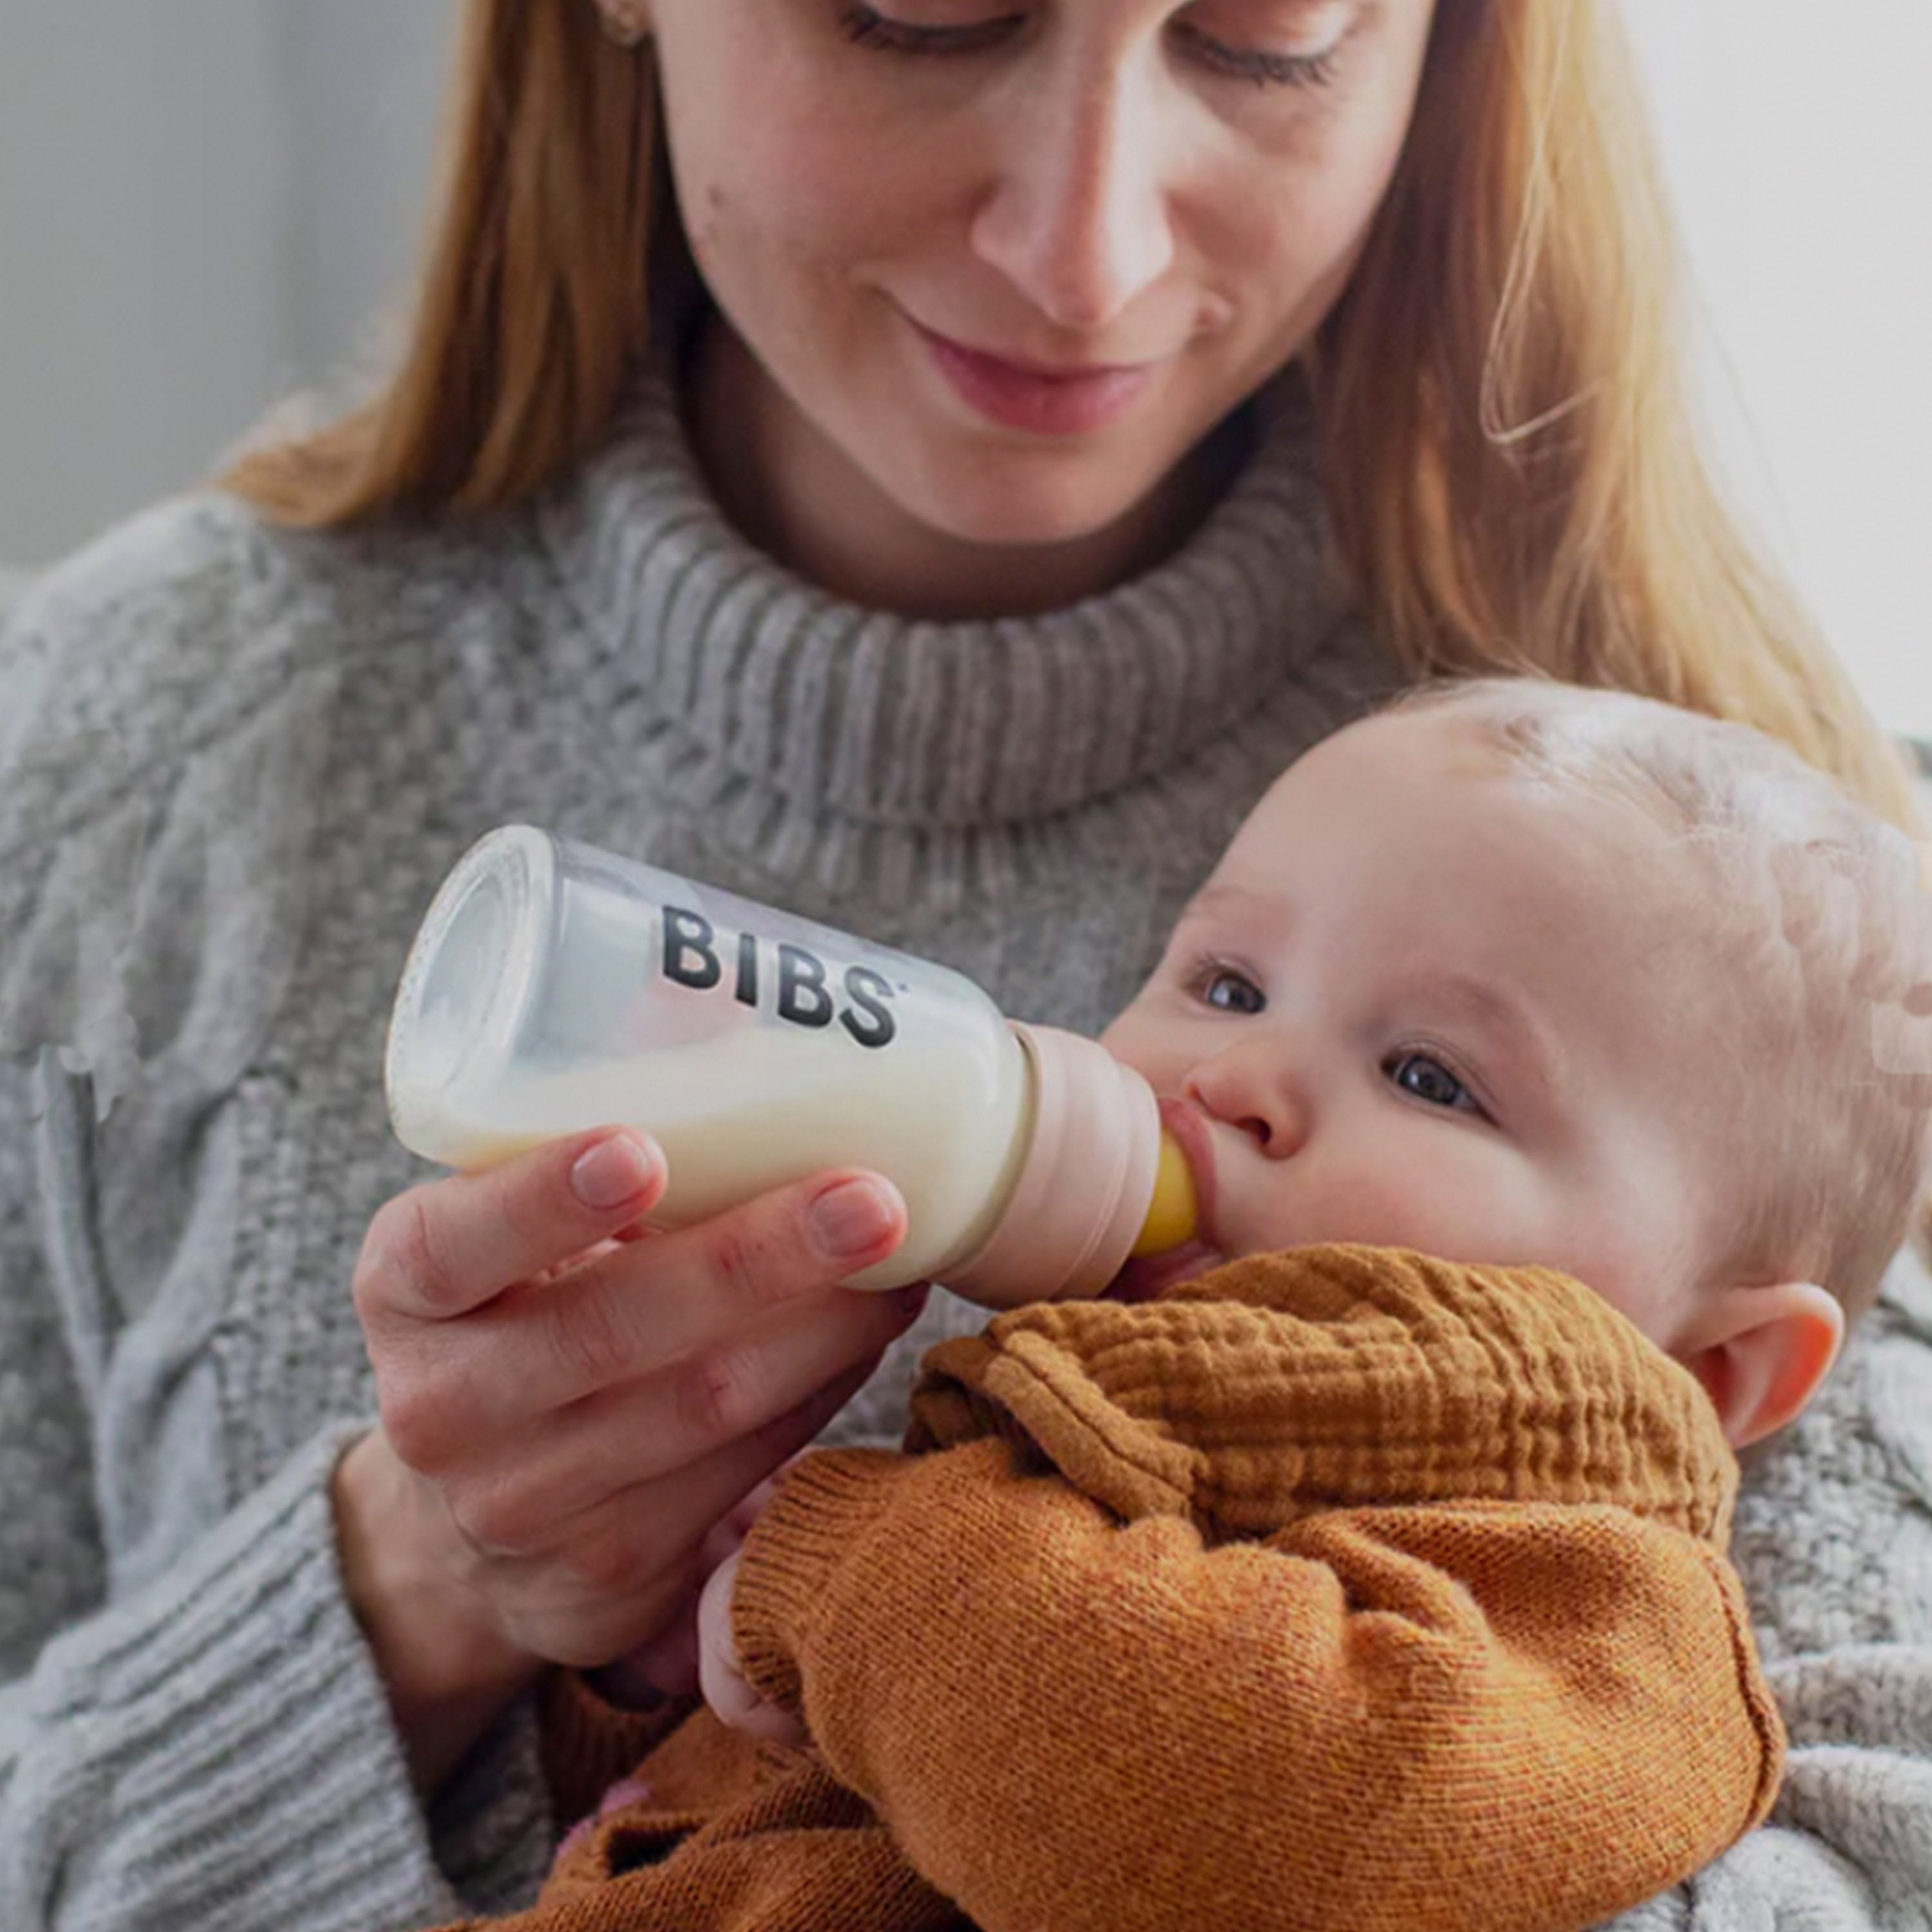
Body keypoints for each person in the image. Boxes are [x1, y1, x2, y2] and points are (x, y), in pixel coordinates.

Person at [0, 4, 1927, 1929]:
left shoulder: (1753, 934)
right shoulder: (111, 776)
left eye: (1263, 34)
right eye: (920, 6)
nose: (1083, 259)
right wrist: (429, 1597)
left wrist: (866, 1573)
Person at [427, 677, 1926, 1932]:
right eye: (1223, 981)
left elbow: (1270, 1820)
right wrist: (648, 1679)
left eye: (1428, 1078)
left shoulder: (1581, 1600)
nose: (1236, 1081)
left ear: (1721, 1368)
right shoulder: (1055, 1439)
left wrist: (846, 1566)